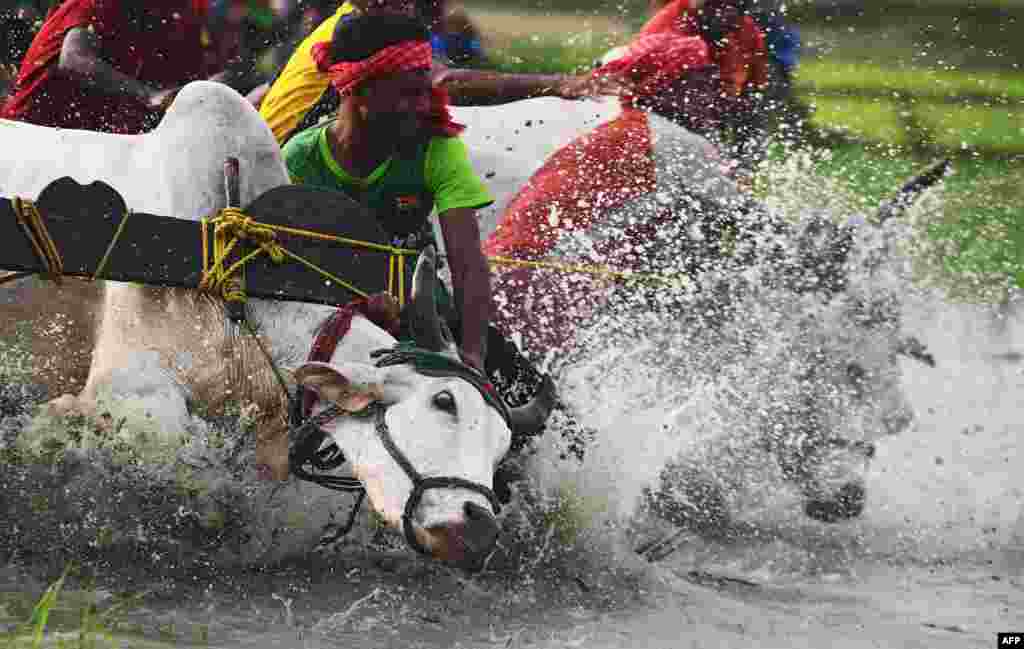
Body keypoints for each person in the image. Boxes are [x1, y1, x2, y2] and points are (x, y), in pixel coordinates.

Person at [254, 0, 631, 145]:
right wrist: (561, 84)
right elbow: (443, 82)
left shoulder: (351, 20)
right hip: (283, 173)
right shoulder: (360, 28)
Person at [0, 0, 240, 133]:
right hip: (26, 136)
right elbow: (73, 60)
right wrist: (148, 95)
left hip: (75, 144)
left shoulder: (169, 16)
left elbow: (180, 89)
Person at [638, 0, 770, 171]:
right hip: (666, 114)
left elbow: (753, 99)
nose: (724, 14)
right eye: (716, 6)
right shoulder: (667, 26)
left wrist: (745, 164)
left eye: (734, 7)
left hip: (719, 113)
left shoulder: (747, 31)